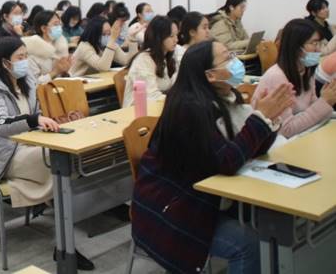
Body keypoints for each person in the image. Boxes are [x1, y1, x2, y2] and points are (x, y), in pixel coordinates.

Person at [131, 40, 294, 274]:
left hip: (201, 198)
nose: (236, 62)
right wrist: (259, 120)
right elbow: (226, 161)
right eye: (228, 57)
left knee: (273, 222)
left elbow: (249, 148)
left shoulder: (225, 97)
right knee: (247, 245)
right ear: (210, 75)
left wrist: (269, 119)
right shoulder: (188, 109)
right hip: (173, 208)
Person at [0, 37, 95, 270]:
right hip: (5, 154)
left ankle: (64, 245)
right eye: (20, 57)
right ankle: (65, 247)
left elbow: (36, 113)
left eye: (26, 56)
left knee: (67, 161)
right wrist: (34, 120)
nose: (25, 61)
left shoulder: (28, 82)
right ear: (5, 62)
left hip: (31, 145)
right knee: (59, 164)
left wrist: (46, 121)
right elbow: (0, 124)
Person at [252, 19, 336, 138]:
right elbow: (285, 130)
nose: (318, 50)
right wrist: (324, 102)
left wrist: (326, 102)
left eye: (319, 43)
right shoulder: (277, 77)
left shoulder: (306, 70)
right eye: (313, 43)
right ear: (295, 46)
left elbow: (312, 110)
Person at [123, 16, 178, 106]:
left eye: (176, 35)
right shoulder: (144, 59)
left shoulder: (166, 57)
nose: (176, 40)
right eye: (171, 36)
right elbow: (151, 96)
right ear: (159, 37)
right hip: (139, 110)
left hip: (158, 106)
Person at [70, 16, 138, 76]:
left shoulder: (109, 43)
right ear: (95, 34)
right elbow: (103, 67)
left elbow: (127, 61)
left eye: (109, 33)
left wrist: (132, 39)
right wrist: (112, 40)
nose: (108, 36)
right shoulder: (84, 47)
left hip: (95, 81)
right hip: (75, 82)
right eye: (104, 34)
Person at [22, 10, 71, 84]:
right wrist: (55, 72)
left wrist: (65, 72)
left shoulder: (60, 45)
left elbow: (63, 78)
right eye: (56, 24)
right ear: (44, 28)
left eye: (60, 24)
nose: (59, 28)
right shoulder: (31, 50)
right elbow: (33, 83)